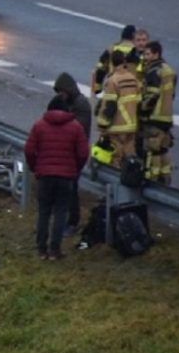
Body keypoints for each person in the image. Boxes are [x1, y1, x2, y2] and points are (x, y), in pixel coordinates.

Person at [25, 99, 89, 260]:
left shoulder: (39, 125)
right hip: (66, 176)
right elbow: (83, 153)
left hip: (45, 176)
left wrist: (35, 167)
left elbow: (29, 150)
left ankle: (41, 249)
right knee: (61, 212)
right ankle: (55, 250)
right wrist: (75, 169)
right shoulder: (75, 127)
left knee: (44, 212)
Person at [50, 72, 91, 234]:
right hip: (68, 152)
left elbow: (76, 129)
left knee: (71, 188)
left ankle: (72, 221)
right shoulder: (72, 102)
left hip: (75, 153)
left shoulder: (80, 104)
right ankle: (66, 219)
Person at [95, 49, 142, 170]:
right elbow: (139, 101)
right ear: (124, 62)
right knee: (129, 155)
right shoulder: (133, 78)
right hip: (132, 125)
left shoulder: (113, 80)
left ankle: (116, 182)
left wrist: (102, 125)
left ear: (112, 63)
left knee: (116, 158)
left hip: (117, 127)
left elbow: (109, 106)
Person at [140, 40, 176, 185]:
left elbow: (152, 96)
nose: (145, 57)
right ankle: (166, 177)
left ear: (156, 54)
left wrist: (142, 109)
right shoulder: (169, 70)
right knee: (163, 148)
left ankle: (152, 180)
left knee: (153, 149)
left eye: (148, 54)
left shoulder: (153, 71)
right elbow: (171, 95)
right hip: (167, 116)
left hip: (155, 117)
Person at [90, 24, 136, 98]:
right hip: (130, 87)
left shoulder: (112, 48)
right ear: (133, 36)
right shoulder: (136, 51)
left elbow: (101, 68)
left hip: (113, 85)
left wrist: (97, 88)